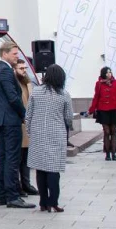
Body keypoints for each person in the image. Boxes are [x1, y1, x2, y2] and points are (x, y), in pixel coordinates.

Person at [0, 40, 34, 208]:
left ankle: (2, 196)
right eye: (14, 54)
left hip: (1, 120)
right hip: (10, 121)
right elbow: (13, 97)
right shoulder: (4, 71)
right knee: (12, 159)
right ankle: (12, 196)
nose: (16, 57)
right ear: (4, 54)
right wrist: (24, 115)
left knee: (3, 158)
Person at [27, 64, 73, 212]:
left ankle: (43, 202)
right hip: (56, 134)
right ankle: (54, 201)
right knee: (53, 170)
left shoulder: (36, 92)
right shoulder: (64, 95)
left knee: (40, 169)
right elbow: (69, 117)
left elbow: (29, 114)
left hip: (38, 134)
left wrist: (30, 131)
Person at [88, 66, 116, 161]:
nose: (109, 74)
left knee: (113, 131)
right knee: (106, 131)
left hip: (114, 109)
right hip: (103, 109)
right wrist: (91, 109)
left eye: (110, 72)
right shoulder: (99, 84)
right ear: (103, 74)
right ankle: (107, 153)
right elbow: (96, 97)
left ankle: (114, 153)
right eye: (107, 72)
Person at [15, 58, 39, 196]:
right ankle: (18, 185)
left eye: (25, 68)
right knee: (18, 157)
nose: (24, 71)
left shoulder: (28, 83)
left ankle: (26, 183)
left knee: (26, 158)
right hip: (19, 123)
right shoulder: (14, 83)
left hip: (29, 124)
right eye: (21, 68)